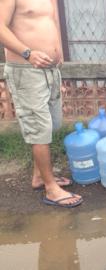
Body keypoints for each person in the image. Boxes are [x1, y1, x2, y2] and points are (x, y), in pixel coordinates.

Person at [0, 0, 82, 207]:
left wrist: (59, 50)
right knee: (39, 129)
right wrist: (28, 53)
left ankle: (39, 177)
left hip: (50, 70)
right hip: (26, 70)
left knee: (52, 124)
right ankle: (51, 189)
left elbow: (51, 21)